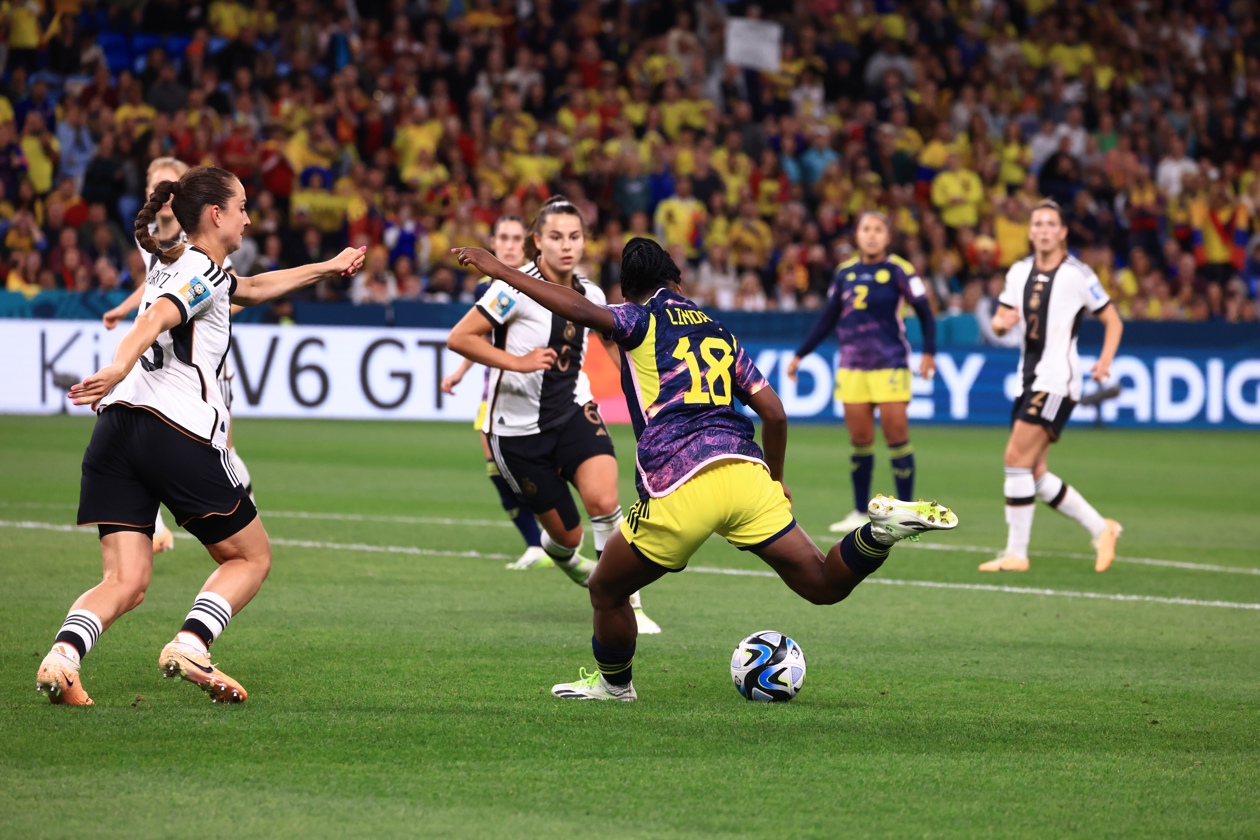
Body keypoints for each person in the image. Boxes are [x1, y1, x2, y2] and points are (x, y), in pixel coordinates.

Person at [451, 238, 959, 702]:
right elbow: (775, 412)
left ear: (631, 292)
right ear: (677, 282)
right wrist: (776, 477)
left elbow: (579, 309)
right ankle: (879, 534)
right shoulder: (720, 332)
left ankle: (615, 687)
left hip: (680, 478)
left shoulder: (637, 318)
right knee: (823, 583)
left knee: (607, 589)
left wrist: (499, 268)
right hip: (745, 472)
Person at [35, 166, 366, 705]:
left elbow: (255, 288)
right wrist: (119, 364)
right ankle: (191, 644)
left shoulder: (186, 266)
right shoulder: (202, 274)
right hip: (174, 430)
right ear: (216, 215)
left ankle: (63, 659)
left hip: (116, 430)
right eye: (241, 207)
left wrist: (328, 267)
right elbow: (157, 320)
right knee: (250, 557)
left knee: (126, 579)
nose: (248, 217)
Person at [446, 197, 661, 634]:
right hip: (517, 431)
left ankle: (627, 605)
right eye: (557, 237)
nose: (567, 246)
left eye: (575, 237)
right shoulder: (510, 290)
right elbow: (460, 337)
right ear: (537, 242)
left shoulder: (592, 294)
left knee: (605, 503)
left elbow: (615, 347)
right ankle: (564, 557)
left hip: (573, 411)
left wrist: (651, 392)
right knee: (568, 537)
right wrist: (520, 363)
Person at [102, 157, 255, 556]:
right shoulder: (149, 235)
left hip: (200, 359)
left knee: (224, 446)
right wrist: (126, 311)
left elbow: (228, 292)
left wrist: (191, 314)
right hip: (160, 360)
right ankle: (155, 526)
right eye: (155, 182)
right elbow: (158, 289)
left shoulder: (208, 249)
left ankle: (243, 510)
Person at [980, 200, 1124, 573]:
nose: (1043, 229)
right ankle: (1102, 528)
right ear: (1030, 232)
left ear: (1062, 232)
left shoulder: (1078, 274)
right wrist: (1001, 323)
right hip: (1028, 378)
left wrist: (1105, 361)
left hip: (1058, 379)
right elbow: (998, 320)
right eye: (1037, 223)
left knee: (1015, 460)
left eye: (1050, 224)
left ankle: (1016, 552)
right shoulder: (1018, 272)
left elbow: (1113, 320)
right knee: (1035, 472)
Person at [785, 212, 937, 534]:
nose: (871, 235)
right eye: (866, 229)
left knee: (896, 437)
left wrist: (929, 353)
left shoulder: (900, 270)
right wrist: (800, 355)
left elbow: (925, 312)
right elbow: (827, 319)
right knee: (860, 441)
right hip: (852, 367)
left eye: (878, 230)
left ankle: (905, 512)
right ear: (856, 235)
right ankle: (858, 510)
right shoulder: (844, 273)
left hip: (891, 363)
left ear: (888, 236)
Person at [440, 215, 549, 571]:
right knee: (498, 468)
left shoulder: (543, 282)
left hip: (545, 390)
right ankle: (537, 543)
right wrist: (459, 372)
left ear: (528, 244)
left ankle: (558, 535)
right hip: (499, 389)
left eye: (517, 238)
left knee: (547, 468)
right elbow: (481, 337)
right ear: (494, 242)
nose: (510, 244)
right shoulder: (486, 288)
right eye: (503, 237)